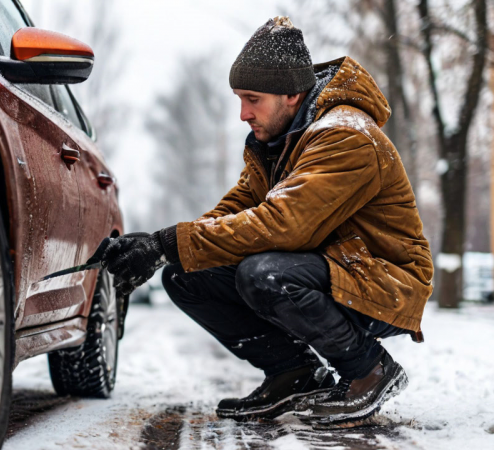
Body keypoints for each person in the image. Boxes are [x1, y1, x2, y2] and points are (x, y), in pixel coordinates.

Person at [97, 16, 433, 426]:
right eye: (240, 98)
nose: (243, 113)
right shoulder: (279, 142)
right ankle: (295, 375)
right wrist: (159, 248)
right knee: (188, 274)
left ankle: (370, 371)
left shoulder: (346, 136)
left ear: (292, 93)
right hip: (332, 268)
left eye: (252, 98)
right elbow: (237, 209)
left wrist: (171, 242)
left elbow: (285, 224)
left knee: (264, 274)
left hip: (387, 280)